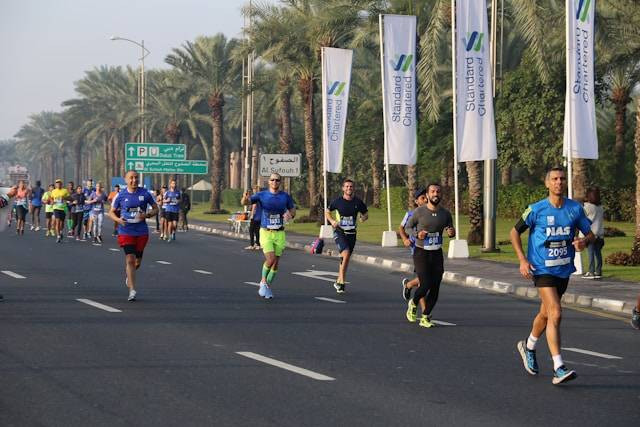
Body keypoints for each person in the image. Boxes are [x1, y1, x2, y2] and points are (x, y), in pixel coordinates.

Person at [511, 167, 594, 385]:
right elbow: (514, 232)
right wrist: (522, 259)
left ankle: (528, 345)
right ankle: (559, 367)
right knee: (556, 313)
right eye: (555, 179)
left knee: (546, 314)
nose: (559, 182)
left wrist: (583, 242)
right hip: (541, 269)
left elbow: (591, 234)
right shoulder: (536, 209)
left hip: (563, 270)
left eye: (562, 179)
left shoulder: (574, 209)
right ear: (547, 183)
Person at [403, 183, 455, 328]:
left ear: (441, 194)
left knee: (436, 287)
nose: (435, 194)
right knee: (425, 283)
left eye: (438, 191)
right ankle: (413, 303)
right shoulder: (419, 212)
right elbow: (407, 228)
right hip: (421, 252)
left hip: (437, 253)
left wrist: (452, 232)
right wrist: (417, 234)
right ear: (427, 195)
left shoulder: (445, 214)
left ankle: (425, 316)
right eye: (432, 191)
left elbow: (451, 230)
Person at [241, 173, 296, 299]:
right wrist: (245, 198)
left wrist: (290, 215)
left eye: (277, 180)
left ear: (280, 182)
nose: (275, 182)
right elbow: (246, 202)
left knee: (276, 263)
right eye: (272, 180)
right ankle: (263, 281)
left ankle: (267, 286)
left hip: (280, 233)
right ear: (269, 182)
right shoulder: (262, 195)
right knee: (270, 259)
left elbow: (293, 210)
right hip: (266, 232)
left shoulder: (285, 196)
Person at [108, 170, 158, 301]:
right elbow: (111, 212)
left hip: (141, 230)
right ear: (125, 180)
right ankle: (132, 290)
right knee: (130, 258)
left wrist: (147, 215)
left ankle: (129, 276)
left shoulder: (145, 193)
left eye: (136, 178)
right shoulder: (120, 195)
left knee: (137, 262)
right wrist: (118, 220)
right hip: (126, 230)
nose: (134, 180)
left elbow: (156, 208)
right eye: (131, 178)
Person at [324, 179, 369, 293]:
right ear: (343, 188)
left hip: (352, 233)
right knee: (346, 253)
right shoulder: (338, 201)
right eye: (347, 186)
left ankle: (338, 281)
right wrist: (332, 221)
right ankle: (342, 282)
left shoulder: (358, 202)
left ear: (353, 189)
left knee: (346, 258)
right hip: (340, 232)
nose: (349, 188)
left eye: (351, 186)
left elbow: (366, 214)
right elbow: (327, 211)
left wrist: (363, 218)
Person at [399, 188, 428, 301]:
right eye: (422, 198)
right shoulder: (410, 214)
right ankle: (425, 312)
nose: (426, 200)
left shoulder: (433, 214)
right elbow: (401, 228)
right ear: (417, 201)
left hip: (432, 250)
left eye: (426, 197)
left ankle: (409, 285)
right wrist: (405, 239)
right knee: (423, 280)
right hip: (417, 250)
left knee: (429, 279)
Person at [582, 187, 604, 279]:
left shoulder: (587, 207)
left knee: (590, 253)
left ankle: (591, 271)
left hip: (590, 234)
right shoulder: (600, 208)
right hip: (599, 233)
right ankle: (598, 271)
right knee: (598, 254)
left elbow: (582, 218)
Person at [245, 185, 262, 250]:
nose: (254, 190)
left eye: (255, 189)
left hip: (257, 217)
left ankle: (255, 244)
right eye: (253, 189)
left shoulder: (257, 197)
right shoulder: (259, 197)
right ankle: (255, 244)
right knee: (254, 231)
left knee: (254, 231)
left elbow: (254, 207)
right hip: (257, 216)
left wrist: (252, 215)